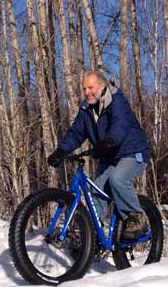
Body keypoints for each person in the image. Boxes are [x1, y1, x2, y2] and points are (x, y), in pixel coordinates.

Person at [47, 70, 150, 236]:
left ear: (102, 86)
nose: (87, 92)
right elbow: (76, 133)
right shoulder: (86, 109)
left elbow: (120, 125)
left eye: (90, 87)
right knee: (97, 188)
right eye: (84, 89)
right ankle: (96, 234)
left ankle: (137, 218)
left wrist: (109, 141)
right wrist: (61, 150)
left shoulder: (117, 101)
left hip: (133, 152)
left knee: (118, 179)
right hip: (110, 156)